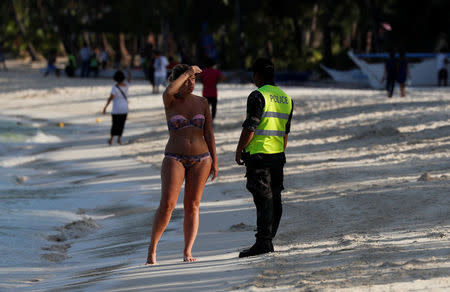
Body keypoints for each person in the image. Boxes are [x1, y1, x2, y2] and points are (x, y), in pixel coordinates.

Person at [146, 64, 218, 265]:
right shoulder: (170, 100)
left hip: (201, 159)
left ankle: (187, 250)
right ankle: (152, 249)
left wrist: (215, 160)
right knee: (167, 205)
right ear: (177, 81)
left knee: (192, 206)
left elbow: (209, 132)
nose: (191, 83)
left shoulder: (202, 102)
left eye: (193, 79)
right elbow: (169, 90)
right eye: (186, 80)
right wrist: (187, 72)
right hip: (174, 157)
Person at [235, 58, 293, 258]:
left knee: (263, 198)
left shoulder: (258, 96)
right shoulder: (286, 98)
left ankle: (264, 242)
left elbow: (250, 126)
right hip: (277, 154)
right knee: (274, 197)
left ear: (257, 75)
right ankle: (268, 238)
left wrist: (239, 149)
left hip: (259, 155)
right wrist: (279, 151)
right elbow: (285, 133)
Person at [102, 69, 132, 145]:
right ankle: (119, 139)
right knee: (121, 124)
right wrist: (129, 72)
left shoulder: (115, 88)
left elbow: (110, 98)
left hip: (116, 109)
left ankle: (111, 139)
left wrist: (105, 107)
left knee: (115, 124)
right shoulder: (127, 85)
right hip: (124, 108)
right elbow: (129, 79)